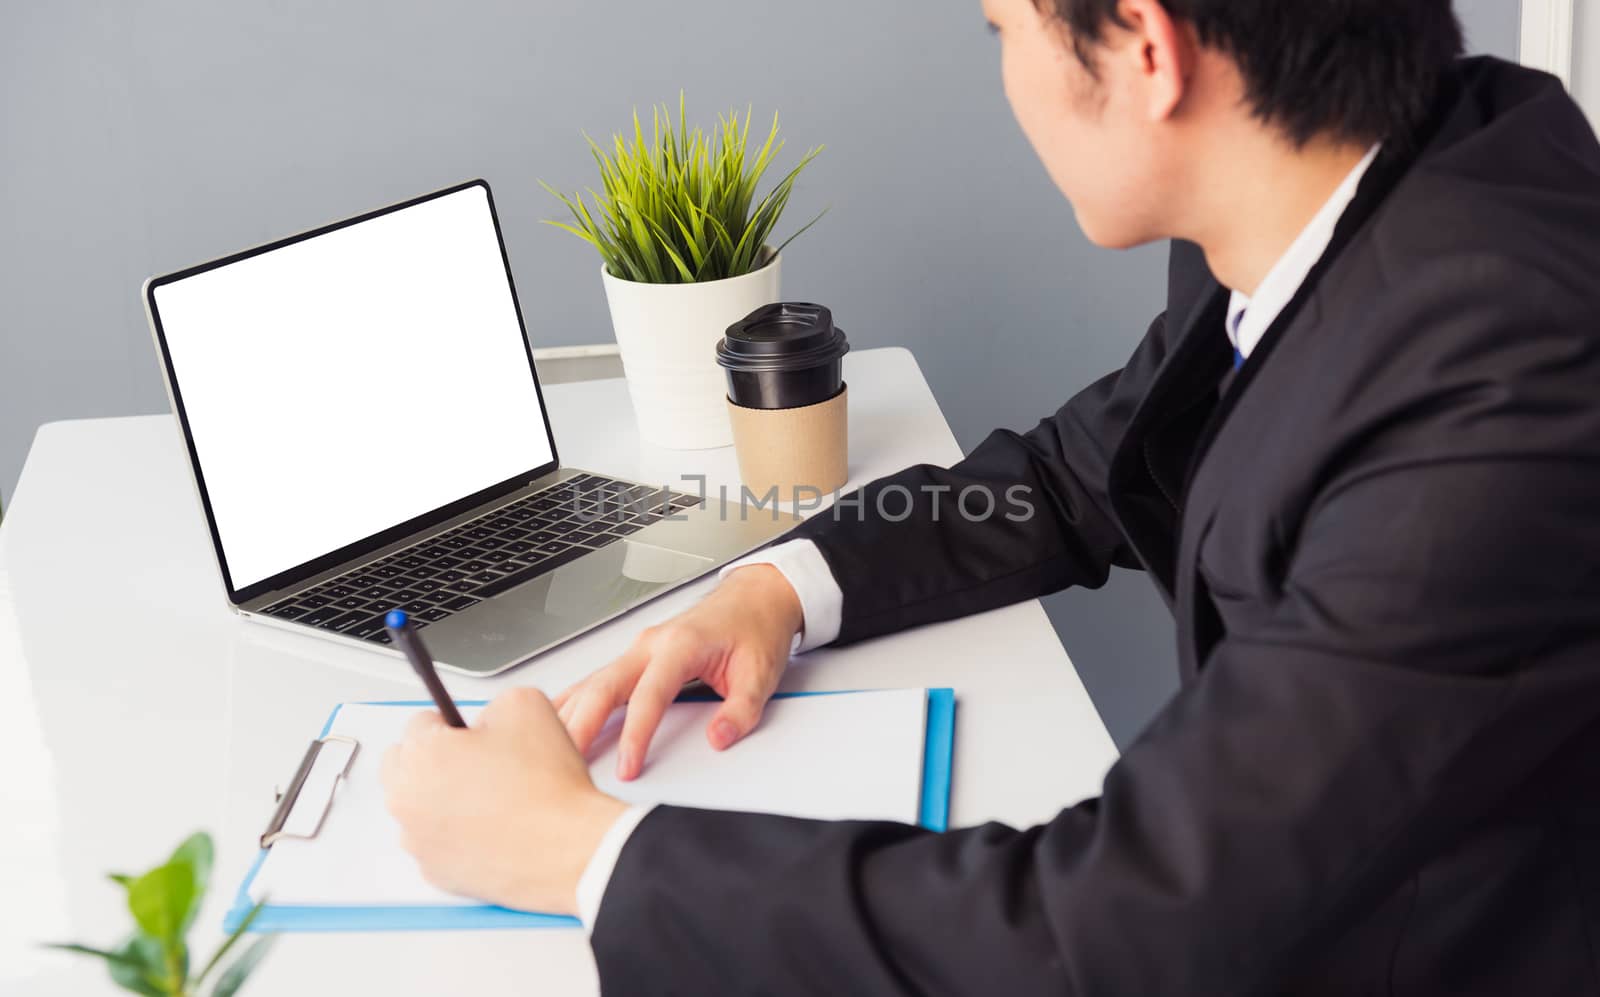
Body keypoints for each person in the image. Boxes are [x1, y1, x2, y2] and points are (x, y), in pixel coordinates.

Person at [380, 0, 1600, 992]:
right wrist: (775, 589)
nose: (1004, 75)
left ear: (1143, 46)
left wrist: (570, 847)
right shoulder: (1385, 170)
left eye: (999, 30)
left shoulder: (1500, 394)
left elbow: (1116, 934)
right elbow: (1089, 468)